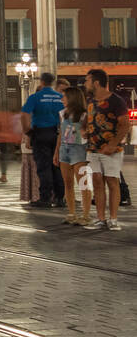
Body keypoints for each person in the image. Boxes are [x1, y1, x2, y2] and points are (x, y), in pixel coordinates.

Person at [83, 68, 131, 230]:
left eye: (87, 80)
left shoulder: (116, 101)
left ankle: (113, 219)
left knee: (112, 182)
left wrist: (113, 144)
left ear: (96, 82)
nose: (85, 83)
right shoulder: (90, 101)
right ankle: (101, 218)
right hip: (93, 149)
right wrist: (84, 130)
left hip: (112, 150)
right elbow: (87, 120)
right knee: (97, 182)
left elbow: (125, 125)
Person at [22, 72, 65, 208]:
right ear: (53, 82)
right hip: (57, 133)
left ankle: (45, 198)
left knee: (43, 166)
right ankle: (59, 198)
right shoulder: (60, 97)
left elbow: (24, 115)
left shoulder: (35, 97)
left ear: (41, 81)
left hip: (40, 133)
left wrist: (28, 131)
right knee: (57, 166)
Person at [54, 86, 89, 224]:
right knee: (67, 183)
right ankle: (72, 213)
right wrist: (57, 151)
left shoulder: (84, 115)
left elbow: (87, 132)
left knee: (83, 183)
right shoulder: (62, 114)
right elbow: (61, 134)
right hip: (65, 149)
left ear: (72, 98)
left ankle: (85, 215)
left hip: (79, 149)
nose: (62, 99)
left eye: (64, 97)